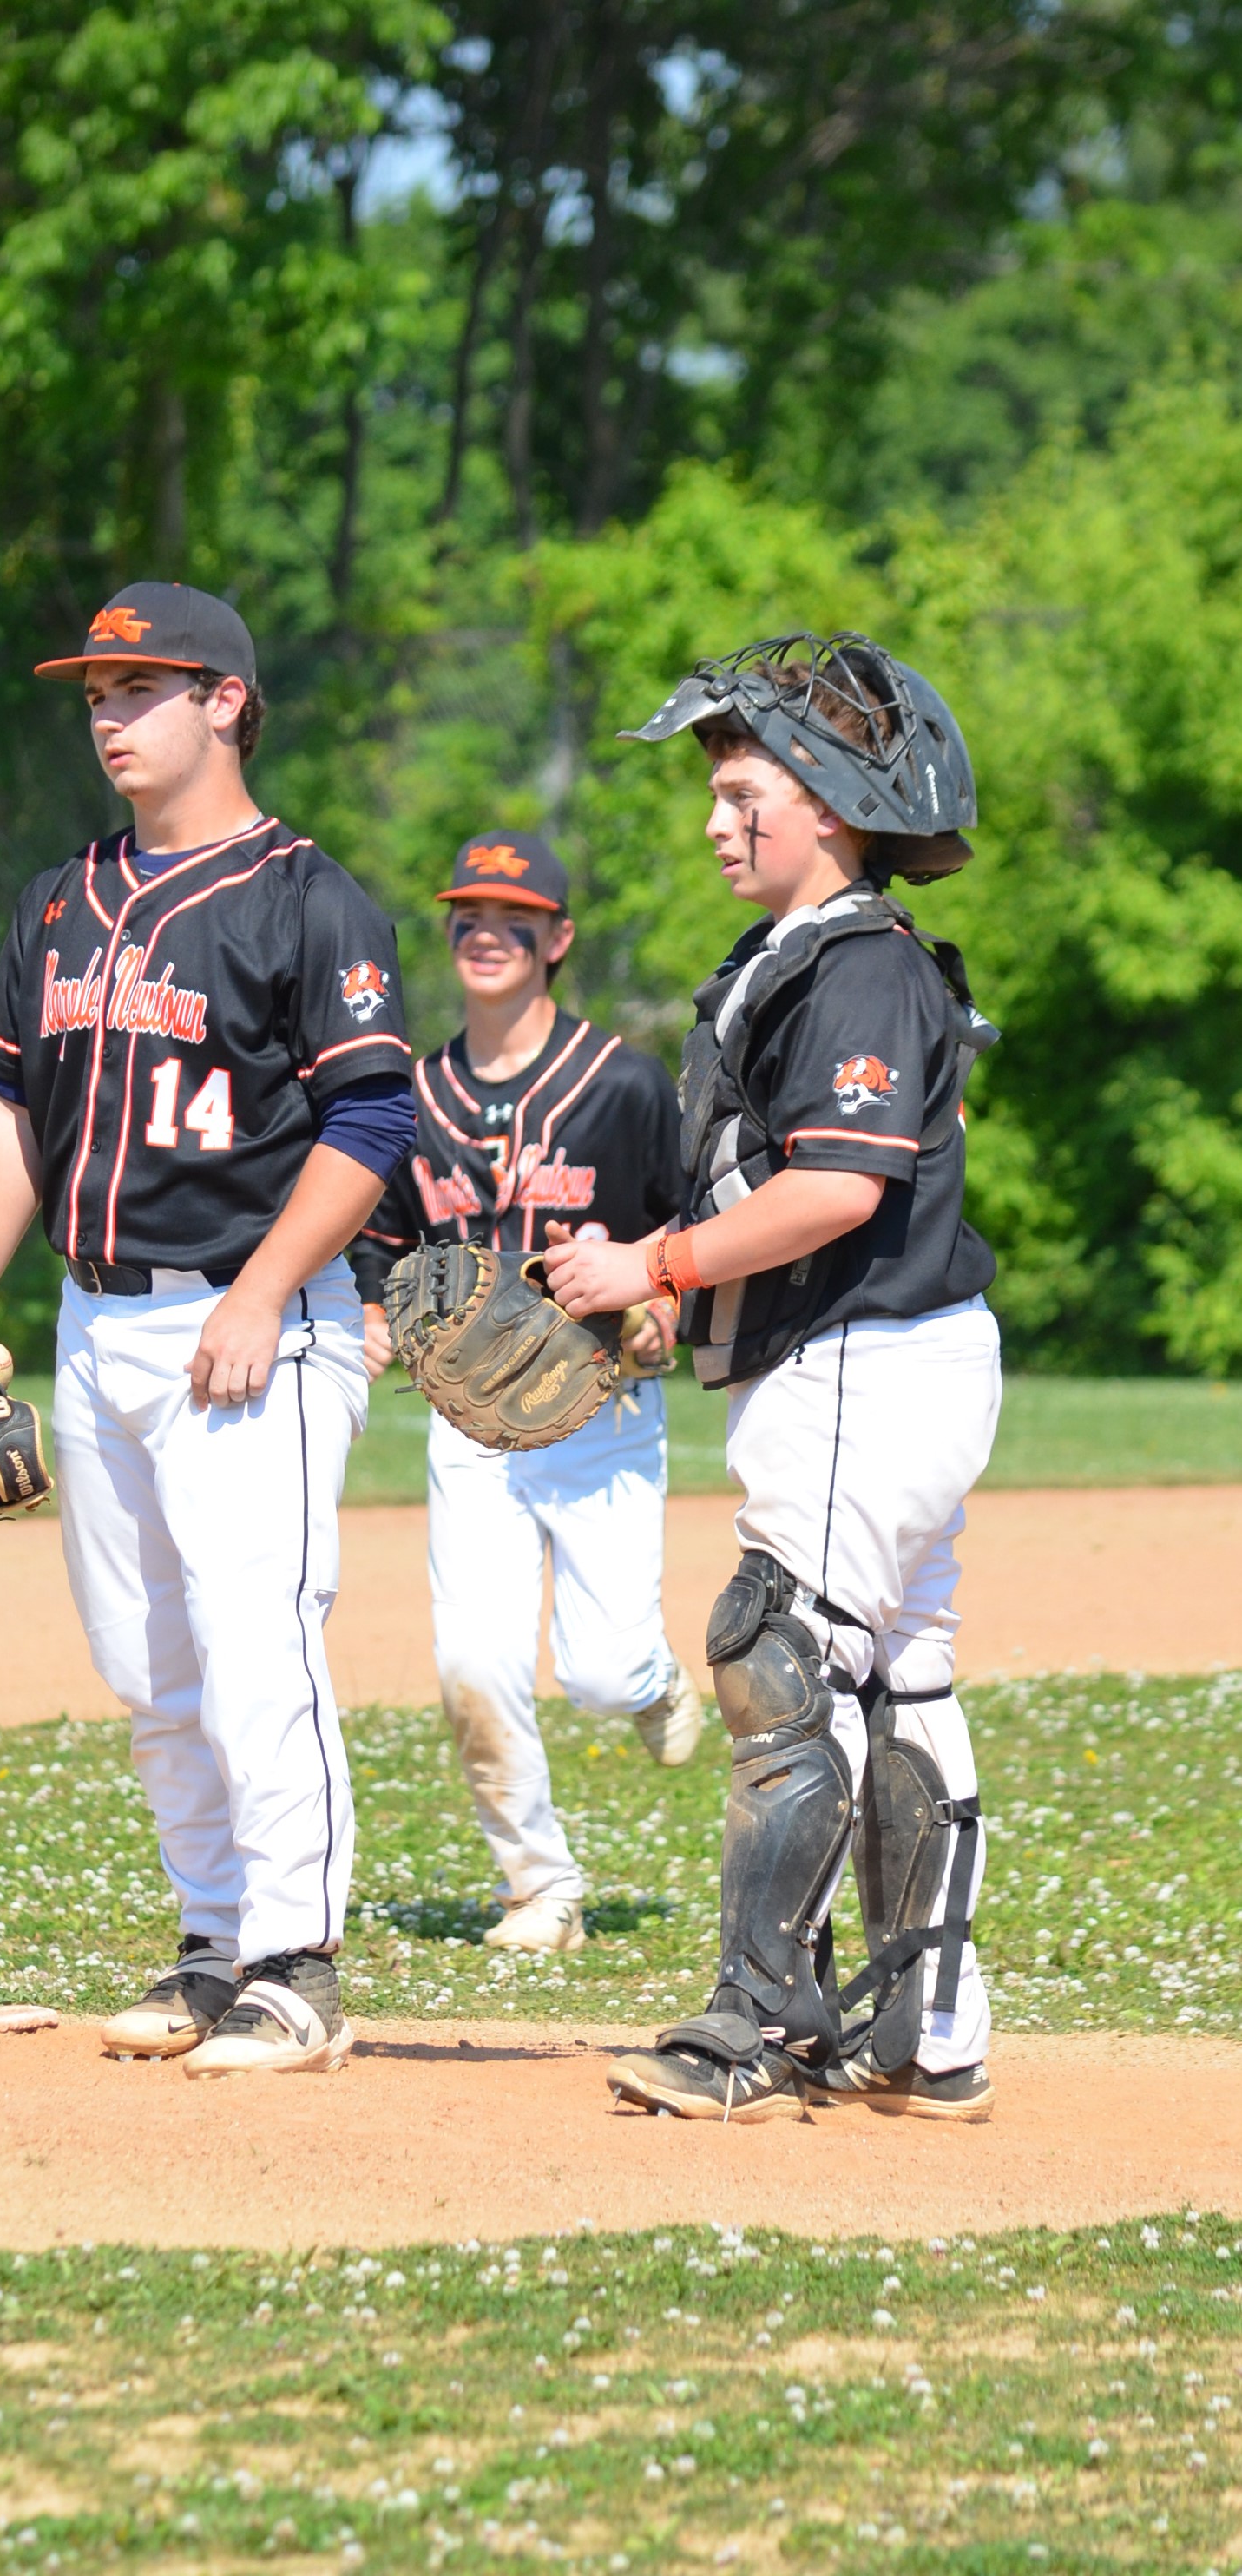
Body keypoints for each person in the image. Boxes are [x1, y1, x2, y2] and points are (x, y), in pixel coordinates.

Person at [0, 581, 415, 2079]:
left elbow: (375, 1113)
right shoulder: (63, 897)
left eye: (139, 688)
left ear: (226, 702)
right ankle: (214, 1944)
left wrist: (267, 1290)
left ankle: (298, 1963)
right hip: (96, 1321)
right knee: (150, 1664)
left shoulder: (305, 897)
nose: (109, 717)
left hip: (249, 1320)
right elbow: (15, 1105)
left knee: (255, 1637)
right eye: (93, 694)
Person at [542, 633, 1002, 2121]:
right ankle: (929, 2031)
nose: (714, 819)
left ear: (827, 798)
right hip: (878, 1357)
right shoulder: (799, 959)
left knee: (780, 1658)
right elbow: (778, 1180)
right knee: (897, 1674)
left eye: (745, 789)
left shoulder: (855, 964)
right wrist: (688, 1292)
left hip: (869, 1360)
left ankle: (758, 2017)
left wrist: (657, 1265)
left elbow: (837, 1192)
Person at [351, 829, 706, 1957]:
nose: (485, 933)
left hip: (597, 1411)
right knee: (470, 1665)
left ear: (556, 938)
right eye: (467, 914)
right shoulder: (415, 1097)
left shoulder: (622, 1085)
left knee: (598, 1670)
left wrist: (664, 1307)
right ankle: (536, 1886)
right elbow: (381, 1246)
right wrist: (373, 1321)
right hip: (472, 1431)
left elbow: (686, 1228)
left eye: (512, 917)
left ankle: (651, 1683)